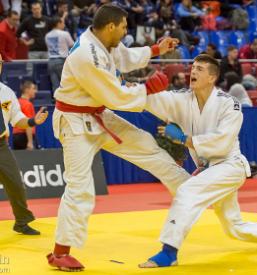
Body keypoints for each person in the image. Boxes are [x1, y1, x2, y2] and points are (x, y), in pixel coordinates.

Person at [46, 4, 183, 272]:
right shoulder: (87, 54)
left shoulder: (103, 42)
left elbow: (125, 58)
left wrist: (156, 50)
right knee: (80, 187)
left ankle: (190, 191)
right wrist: (150, 87)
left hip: (98, 115)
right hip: (75, 124)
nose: (125, 31)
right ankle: (60, 253)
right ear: (111, 26)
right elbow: (116, 96)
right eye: (123, 27)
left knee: (145, 143)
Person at [139, 54, 257, 268]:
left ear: (212, 77)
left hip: (230, 166)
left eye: (200, 69)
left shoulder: (229, 105)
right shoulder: (182, 99)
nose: (192, 71)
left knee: (187, 191)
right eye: (192, 67)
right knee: (234, 227)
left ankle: (169, 252)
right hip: (208, 170)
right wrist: (136, 88)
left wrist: (184, 139)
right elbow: (150, 101)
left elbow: (221, 143)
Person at [0, 54, 48, 235]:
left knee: (16, 183)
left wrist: (32, 121)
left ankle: (22, 221)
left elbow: (17, 119)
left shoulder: (6, 92)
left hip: (1, 146)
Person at [45, 16, 74, 92]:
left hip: (51, 61)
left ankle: (56, 102)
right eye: (63, 22)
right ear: (58, 23)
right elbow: (72, 45)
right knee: (65, 84)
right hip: (61, 61)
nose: (64, 24)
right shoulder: (64, 34)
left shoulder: (47, 35)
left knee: (55, 85)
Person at [12, 81, 38, 150]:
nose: (35, 91)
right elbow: (28, 124)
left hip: (15, 137)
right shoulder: (27, 104)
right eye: (33, 88)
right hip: (24, 137)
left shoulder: (16, 102)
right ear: (27, 90)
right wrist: (30, 142)